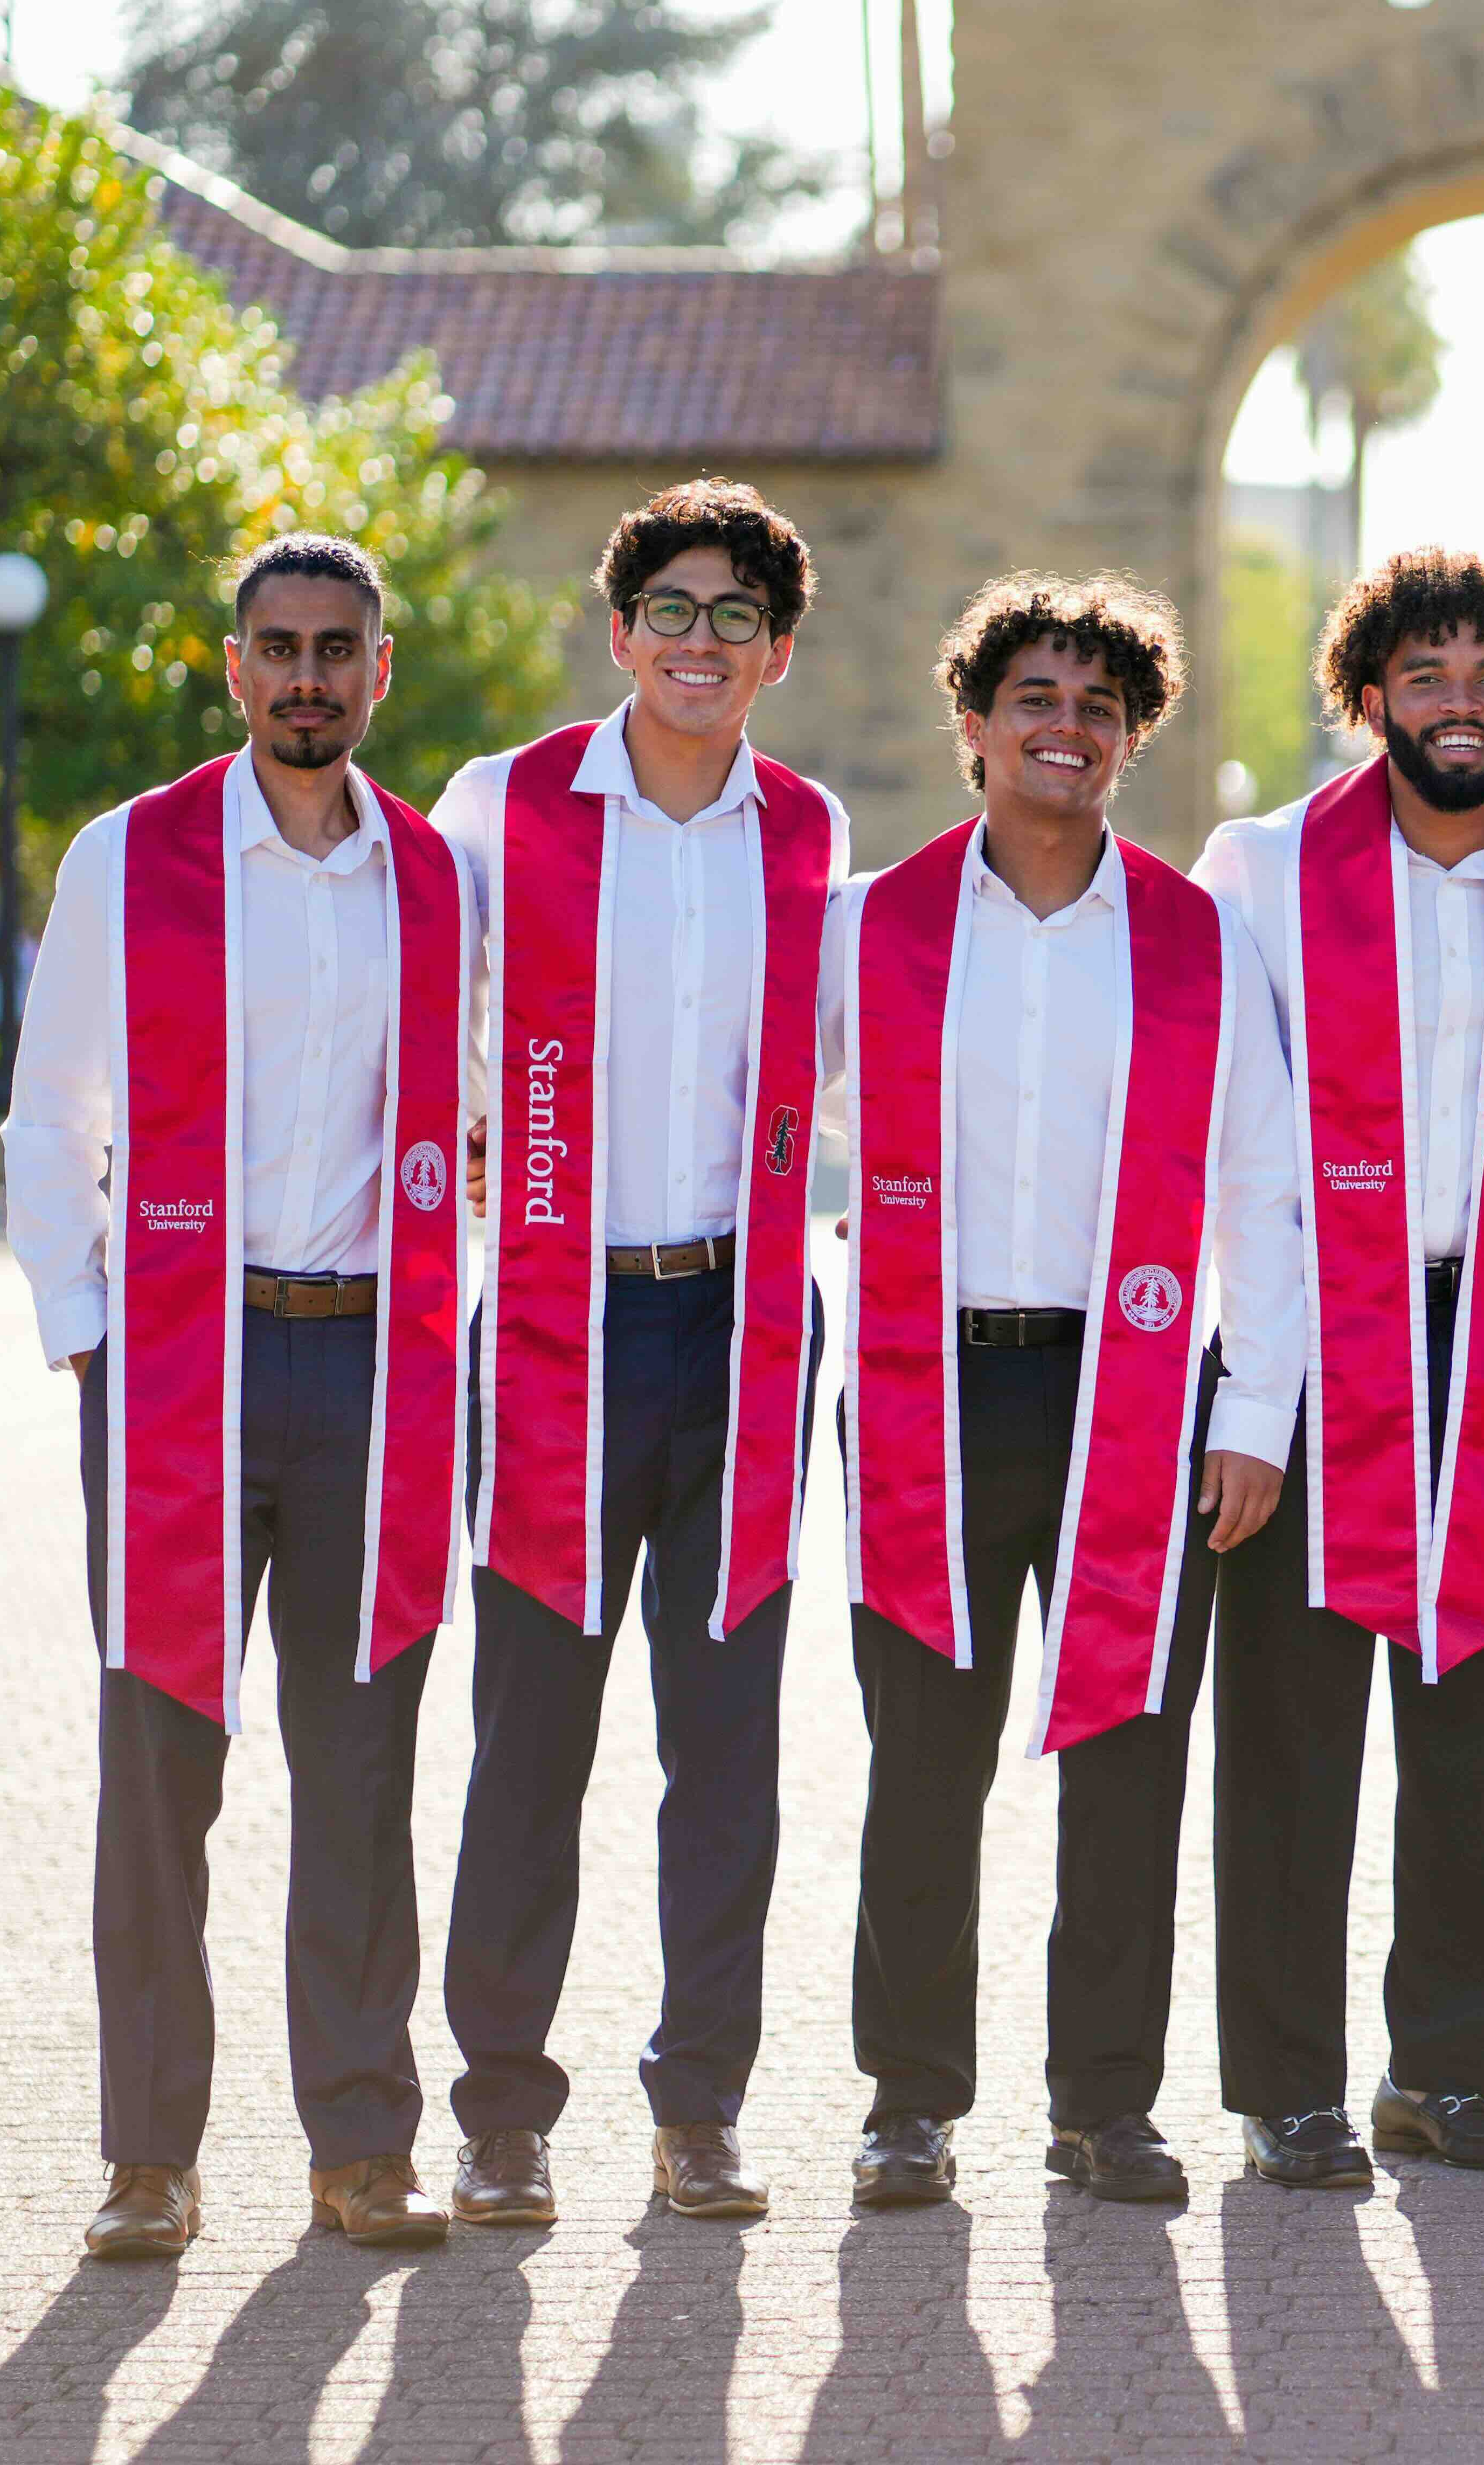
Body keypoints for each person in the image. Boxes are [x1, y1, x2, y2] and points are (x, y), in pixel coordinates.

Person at [5, 534, 469, 2257]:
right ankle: (151, 2156)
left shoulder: (438, 880)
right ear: (233, 667)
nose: (307, 678)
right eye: (279, 648)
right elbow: (51, 1105)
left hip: (374, 1368)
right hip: (179, 1367)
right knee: (159, 1770)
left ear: (378, 671)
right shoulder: (134, 857)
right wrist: (87, 1325)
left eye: (337, 650)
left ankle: (362, 2147)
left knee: (362, 1768)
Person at [826, 572, 1300, 2210]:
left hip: (1137, 1398)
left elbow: (1261, 1181)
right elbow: (781, 1110)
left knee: (1128, 1761)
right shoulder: (871, 924)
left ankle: (1107, 2103)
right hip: (925, 1392)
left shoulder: (1195, 937)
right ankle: (910, 2101)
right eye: (1035, 697)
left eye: (1101, 707)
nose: (1067, 728)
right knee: (922, 1765)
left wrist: (1256, 1412)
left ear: (1132, 740)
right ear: (973, 722)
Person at [430, 480, 848, 2229]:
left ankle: (702, 2107)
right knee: (531, 1738)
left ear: (776, 655)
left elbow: (834, 1068)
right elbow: (422, 1004)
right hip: (552, 1323)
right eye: (672, 608)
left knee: (726, 1744)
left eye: (737, 616)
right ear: (621, 633)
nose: (701, 640)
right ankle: (503, 2113)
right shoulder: (503, 807)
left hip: (742, 1334)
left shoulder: (811, 836)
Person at [1194, 549, 1484, 2187]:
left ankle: (1451, 2070)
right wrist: (1251, 1395)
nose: (1460, 704)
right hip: (1313, 1340)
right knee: (1293, 1741)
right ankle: (1288, 2086)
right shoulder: (1262, 870)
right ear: (1370, 693)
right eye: (1426, 674)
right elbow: (1224, 1130)